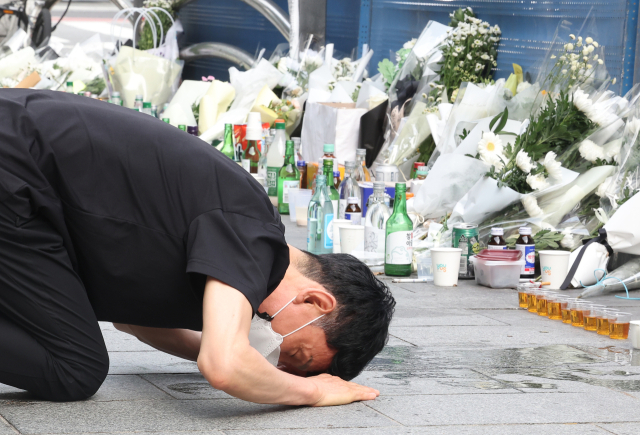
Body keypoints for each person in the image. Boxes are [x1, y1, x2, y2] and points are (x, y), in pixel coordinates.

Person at [0, 89, 395, 405]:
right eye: (295, 356)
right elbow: (222, 366)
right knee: (76, 368)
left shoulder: (237, 255)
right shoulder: (255, 240)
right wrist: (312, 392)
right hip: (14, 167)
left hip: (22, 186)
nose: (276, 360)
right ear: (316, 301)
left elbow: (134, 322)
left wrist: (253, 366)